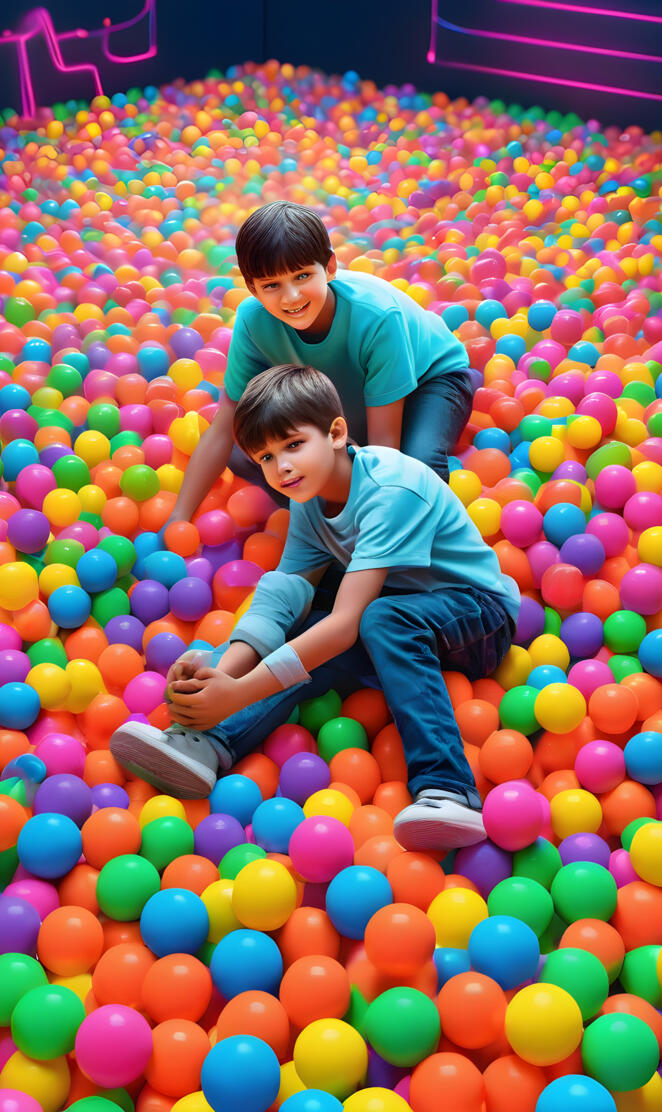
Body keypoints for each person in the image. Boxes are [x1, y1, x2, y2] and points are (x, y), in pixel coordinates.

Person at [111, 365, 520, 852]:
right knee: (309, 617)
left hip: (475, 619)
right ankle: (204, 743)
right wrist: (221, 674)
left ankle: (449, 789)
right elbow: (282, 597)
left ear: (336, 433)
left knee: (366, 620)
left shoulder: (392, 489)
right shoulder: (307, 499)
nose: (281, 467)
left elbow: (345, 626)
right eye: (265, 457)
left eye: (292, 445)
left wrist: (238, 693)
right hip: (389, 610)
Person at [165, 199, 475, 526]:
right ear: (252, 288)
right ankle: (322, 525)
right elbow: (224, 429)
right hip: (348, 397)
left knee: (417, 465)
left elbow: (385, 447)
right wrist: (178, 518)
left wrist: (377, 526)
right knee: (246, 453)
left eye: (301, 276)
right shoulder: (253, 321)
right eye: (272, 285)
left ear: (329, 267)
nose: (292, 297)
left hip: (432, 382)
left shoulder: (377, 317)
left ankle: (420, 545)